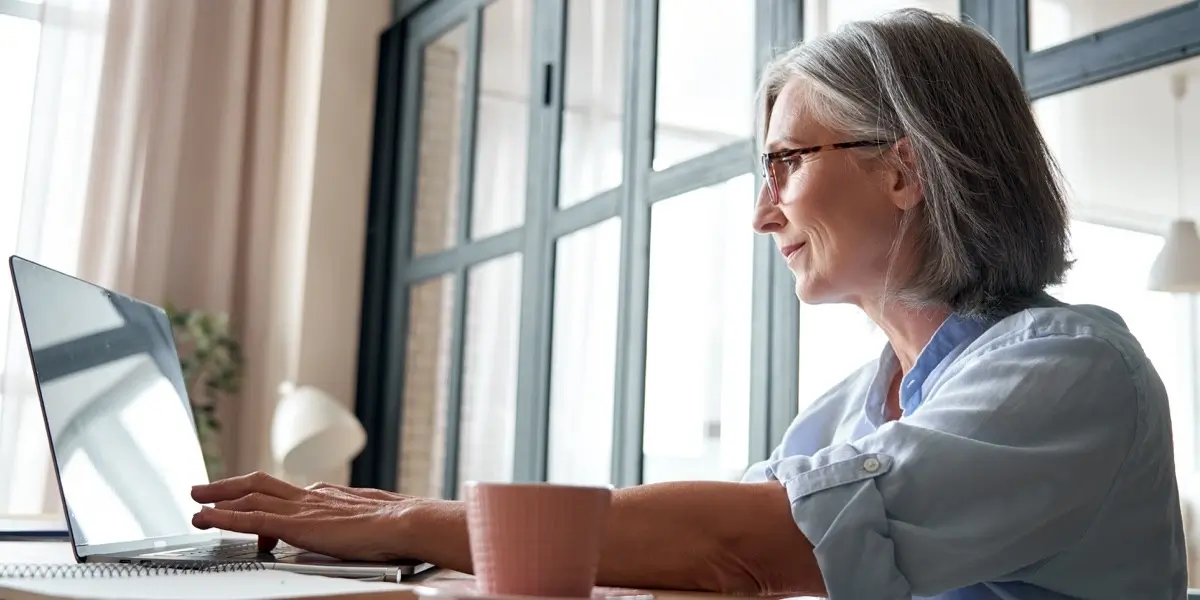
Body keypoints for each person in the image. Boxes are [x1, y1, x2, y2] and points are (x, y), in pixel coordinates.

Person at [190, 8, 1187, 599]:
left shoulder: (1070, 368)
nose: (765, 213)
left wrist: (420, 522)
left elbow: (754, 544)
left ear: (905, 171)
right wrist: (420, 551)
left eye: (786, 163)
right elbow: (697, 558)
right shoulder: (854, 405)